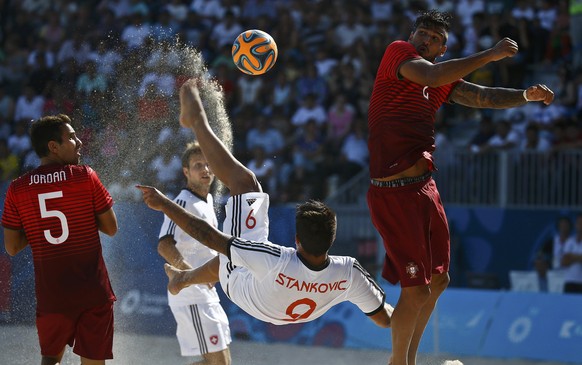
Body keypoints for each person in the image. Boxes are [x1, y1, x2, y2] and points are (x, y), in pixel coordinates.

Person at [367, 10, 554, 365]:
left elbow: (483, 97)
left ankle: (410, 359)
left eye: (433, 38)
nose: (425, 40)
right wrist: (491, 54)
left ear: (443, 46)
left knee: (439, 281)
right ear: (412, 35)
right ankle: (398, 362)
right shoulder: (399, 53)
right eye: (421, 33)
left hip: (425, 188)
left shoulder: (442, 82)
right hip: (393, 193)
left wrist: (525, 96)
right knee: (416, 288)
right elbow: (433, 73)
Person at [137, 78, 393, 328]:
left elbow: (208, 236)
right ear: (332, 240)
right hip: (280, 309)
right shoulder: (349, 272)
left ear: (297, 241)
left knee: (245, 184)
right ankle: (184, 278)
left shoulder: (278, 258)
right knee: (240, 249)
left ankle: (196, 120)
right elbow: (386, 319)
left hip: (242, 287)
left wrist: (164, 203)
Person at [1, 114, 118, 365]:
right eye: (72, 137)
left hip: (52, 294)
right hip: (92, 292)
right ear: (53, 147)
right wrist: (81, 219)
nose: (79, 142)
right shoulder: (85, 176)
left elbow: (11, 247)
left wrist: (38, 227)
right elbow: (111, 228)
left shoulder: (17, 188)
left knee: (50, 360)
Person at [157, 142, 232, 364]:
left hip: (204, 292)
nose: (205, 169)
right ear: (186, 172)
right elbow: (164, 245)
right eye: (198, 165)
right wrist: (191, 275)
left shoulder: (208, 200)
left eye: (208, 165)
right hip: (191, 293)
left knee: (221, 362)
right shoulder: (181, 202)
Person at [562, 213, 582, 294]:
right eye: (579, 223)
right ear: (575, 225)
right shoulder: (569, 241)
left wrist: (572, 257)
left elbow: (568, 258)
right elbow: (564, 262)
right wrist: (578, 258)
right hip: (569, 281)